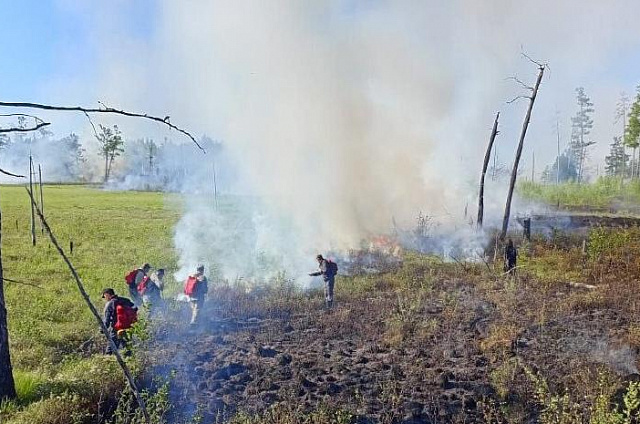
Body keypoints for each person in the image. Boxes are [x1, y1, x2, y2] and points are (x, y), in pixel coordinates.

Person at [101, 288, 138, 354]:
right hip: (128, 327)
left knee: (111, 348)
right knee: (127, 347)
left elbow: (107, 320)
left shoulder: (110, 304)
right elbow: (135, 308)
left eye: (104, 296)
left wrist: (102, 329)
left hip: (116, 328)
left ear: (107, 294)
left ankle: (108, 361)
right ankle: (130, 361)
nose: (105, 298)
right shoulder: (125, 300)